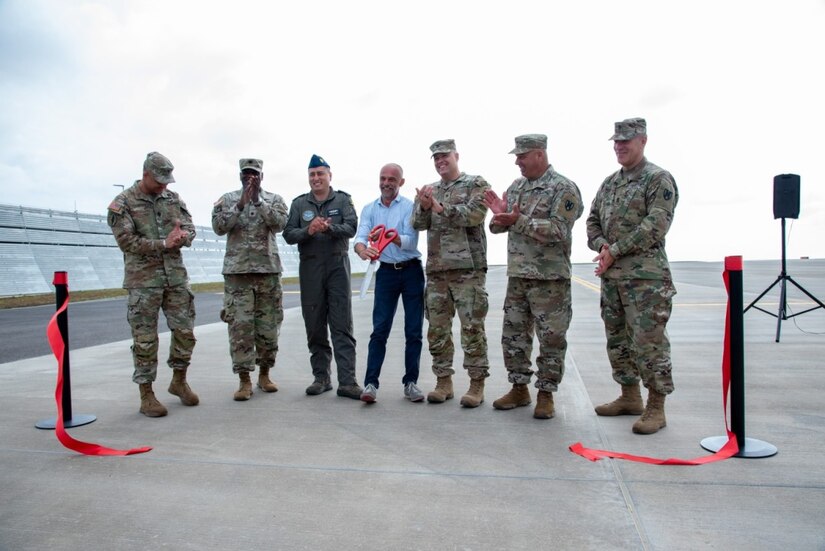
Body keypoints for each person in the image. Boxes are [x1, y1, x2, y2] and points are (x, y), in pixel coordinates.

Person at [586, 117, 679, 435]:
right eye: (616, 141)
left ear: (643, 141)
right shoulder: (609, 183)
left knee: (648, 343)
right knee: (618, 341)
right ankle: (629, 396)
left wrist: (616, 249)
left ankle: (656, 406)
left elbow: (656, 225)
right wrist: (601, 246)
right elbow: (592, 221)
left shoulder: (658, 179)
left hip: (646, 280)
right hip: (612, 278)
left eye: (627, 140)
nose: (620, 146)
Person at [484, 134, 583, 419]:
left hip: (550, 279)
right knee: (513, 336)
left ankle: (546, 393)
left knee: (551, 338)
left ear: (539, 154)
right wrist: (500, 216)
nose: (518, 161)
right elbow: (498, 227)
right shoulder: (516, 188)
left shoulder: (563, 188)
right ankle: (519, 388)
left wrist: (518, 221)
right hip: (518, 276)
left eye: (522, 156)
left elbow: (559, 230)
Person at [107, 151, 199, 418]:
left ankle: (179, 380)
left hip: (176, 278)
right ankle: (146, 394)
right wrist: (162, 244)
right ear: (145, 174)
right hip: (143, 282)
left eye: (167, 181)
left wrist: (183, 236)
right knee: (145, 339)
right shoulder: (122, 203)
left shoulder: (173, 199)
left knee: (185, 331)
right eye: (159, 180)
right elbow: (126, 241)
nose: (163, 186)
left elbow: (191, 227)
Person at [412, 139, 490, 408]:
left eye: (444, 156)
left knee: (472, 328)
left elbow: (475, 215)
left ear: (456, 155)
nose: (439, 161)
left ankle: (476, 384)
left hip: (468, 271)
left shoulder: (475, 184)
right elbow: (417, 224)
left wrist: (441, 208)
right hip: (437, 272)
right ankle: (443, 381)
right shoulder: (428, 190)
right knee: (437, 330)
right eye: (435, 158)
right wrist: (424, 206)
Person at [283, 154, 362, 400]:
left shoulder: (343, 199)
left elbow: (351, 227)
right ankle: (321, 377)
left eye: (320, 173)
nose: (316, 178)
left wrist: (329, 228)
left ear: (330, 176)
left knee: (341, 324)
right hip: (311, 268)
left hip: (337, 265)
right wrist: (310, 230)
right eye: (312, 175)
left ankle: (347, 382)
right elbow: (288, 234)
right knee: (315, 324)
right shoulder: (299, 204)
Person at [212, 158, 289, 401]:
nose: (250, 178)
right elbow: (218, 227)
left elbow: (280, 225)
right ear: (239, 176)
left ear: (262, 177)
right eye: (245, 174)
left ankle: (264, 374)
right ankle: (244, 380)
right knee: (240, 328)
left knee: (268, 327)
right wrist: (241, 205)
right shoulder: (227, 199)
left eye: (254, 174)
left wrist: (258, 201)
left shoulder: (274, 200)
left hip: (267, 272)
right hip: (238, 275)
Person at [354, 163, 425, 404]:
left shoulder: (409, 207)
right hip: (385, 273)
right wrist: (363, 250)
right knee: (380, 329)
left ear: (401, 182)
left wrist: (392, 238)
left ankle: (410, 383)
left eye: (392, 179)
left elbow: (411, 242)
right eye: (383, 178)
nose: (386, 183)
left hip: (411, 271)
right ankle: (371, 383)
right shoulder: (369, 209)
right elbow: (360, 237)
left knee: (413, 330)